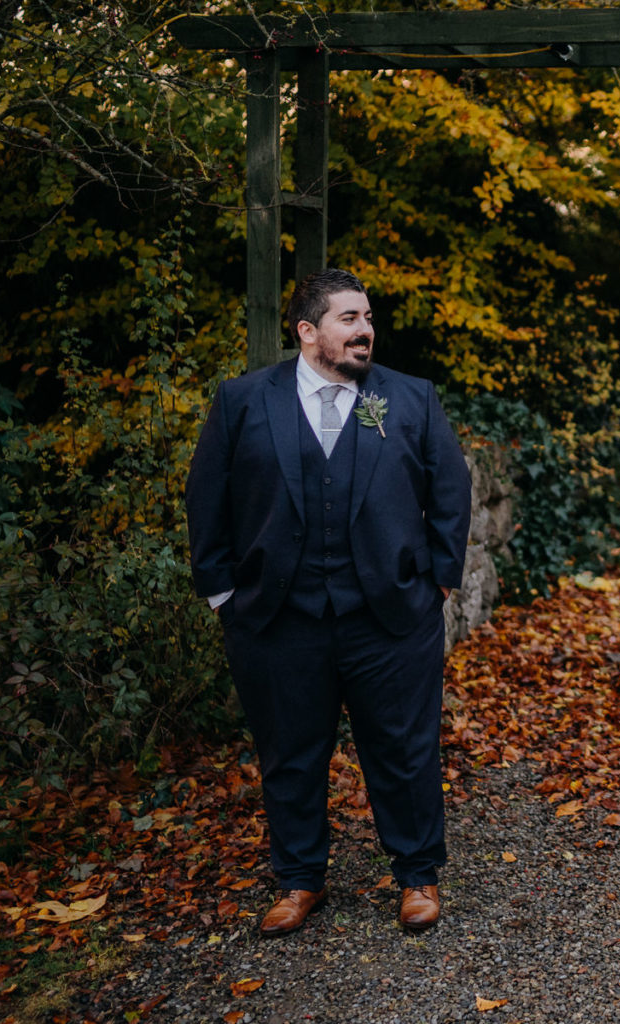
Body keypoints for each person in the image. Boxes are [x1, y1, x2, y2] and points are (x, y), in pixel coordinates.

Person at [186, 268, 472, 936]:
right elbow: (208, 502)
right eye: (349, 318)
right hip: (277, 618)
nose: (366, 329)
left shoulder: (410, 398)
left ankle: (417, 876)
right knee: (290, 752)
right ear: (307, 330)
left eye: (368, 317)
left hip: (392, 616)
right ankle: (297, 880)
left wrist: (438, 583)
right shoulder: (243, 402)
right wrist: (224, 595)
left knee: (404, 751)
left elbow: (450, 492)